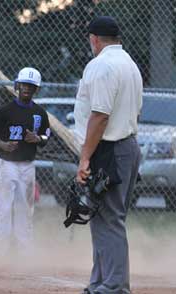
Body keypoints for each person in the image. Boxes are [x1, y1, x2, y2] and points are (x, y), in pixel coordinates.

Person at [74, 16, 142, 294]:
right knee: (104, 218)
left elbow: (100, 116)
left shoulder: (101, 65)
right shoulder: (129, 63)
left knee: (108, 219)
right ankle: (101, 282)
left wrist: (85, 157)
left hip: (108, 149)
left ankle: (114, 286)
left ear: (94, 39)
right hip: (126, 146)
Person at [0, 67, 50, 253]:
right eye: (24, 85)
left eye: (31, 86)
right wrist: (1, 144)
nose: (26, 89)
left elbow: (47, 136)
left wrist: (38, 139)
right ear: (17, 85)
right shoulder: (5, 111)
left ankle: (25, 251)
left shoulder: (39, 113)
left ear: (36, 89)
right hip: (6, 163)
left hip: (27, 165)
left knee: (25, 209)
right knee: (4, 208)